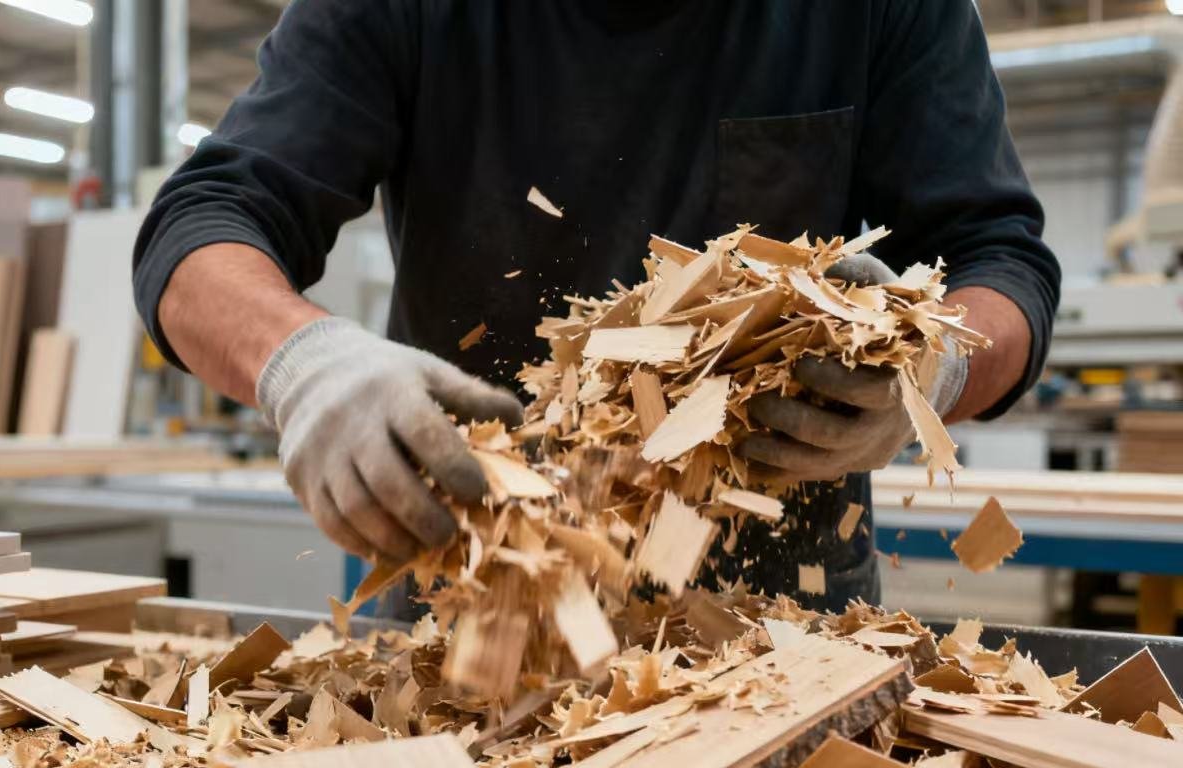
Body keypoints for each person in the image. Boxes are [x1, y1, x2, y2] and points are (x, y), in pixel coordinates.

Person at [132, 0, 1060, 606]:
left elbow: (1002, 263)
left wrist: (930, 369)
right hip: (480, 601)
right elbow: (204, 221)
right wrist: (302, 361)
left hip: (780, 623)